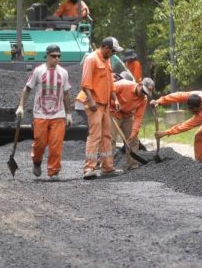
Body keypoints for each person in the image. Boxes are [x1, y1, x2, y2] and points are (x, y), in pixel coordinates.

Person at [16, 45, 73, 181]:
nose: (56, 58)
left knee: (56, 144)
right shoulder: (38, 71)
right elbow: (27, 89)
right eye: (53, 56)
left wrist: (69, 113)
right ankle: (37, 161)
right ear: (47, 56)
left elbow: (66, 94)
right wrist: (21, 106)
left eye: (59, 56)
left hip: (58, 114)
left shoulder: (63, 73)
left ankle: (53, 172)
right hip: (40, 113)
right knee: (40, 143)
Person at [79, 37, 123, 179]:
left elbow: (110, 82)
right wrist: (91, 102)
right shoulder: (91, 59)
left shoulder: (107, 60)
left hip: (105, 105)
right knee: (95, 136)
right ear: (106, 47)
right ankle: (89, 168)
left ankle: (107, 168)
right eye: (113, 51)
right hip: (95, 104)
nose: (113, 54)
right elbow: (85, 84)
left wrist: (114, 99)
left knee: (106, 136)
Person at [111, 77, 155, 170]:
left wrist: (134, 132)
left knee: (134, 139)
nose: (144, 94)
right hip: (113, 112)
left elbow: (138, 117)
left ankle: (132, 165)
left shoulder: (144, 99)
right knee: (110, 139)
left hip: (127, 115)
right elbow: (111, 88)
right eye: (143, 91)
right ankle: (107, 166)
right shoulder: (124, 84)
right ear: (139, 84)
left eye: (146, 93)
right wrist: (115, 100)